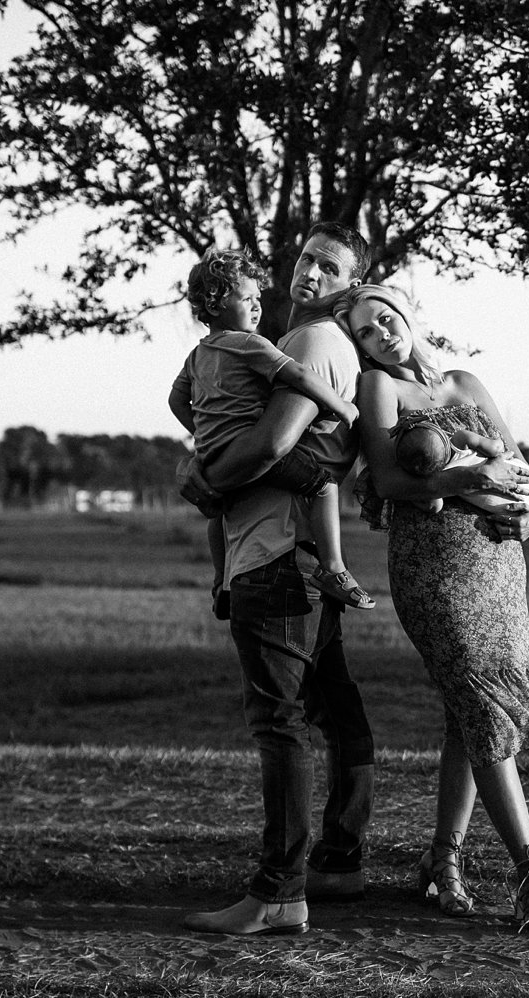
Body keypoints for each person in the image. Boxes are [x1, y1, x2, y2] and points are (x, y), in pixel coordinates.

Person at [344, 283, 529, 938]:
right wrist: (468, 481)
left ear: (407, 316)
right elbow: (390, 483)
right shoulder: (378, 389)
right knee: (482, 705)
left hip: (498, 562)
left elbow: (519, 466)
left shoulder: (465, 380)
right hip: (431, 567)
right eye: (366, 330)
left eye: (386, 319)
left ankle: (441, 862)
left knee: (464, 712)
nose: (381, 334)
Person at [178, 223, 382, 937]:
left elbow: (272, 443)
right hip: (294, 559)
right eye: (306, 260)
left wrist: (202, 480)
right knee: (335, 713)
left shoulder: (309, 344)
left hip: (274, 558)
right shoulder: (304, 344)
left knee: (280, 726)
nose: (311, 274)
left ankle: (279, 889)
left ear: (351, 284)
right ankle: (340, 859)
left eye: (330, 267)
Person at [168, 249, 376, 617]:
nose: (257, 305)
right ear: (216, 305)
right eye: (247, 298)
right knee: (323, 485)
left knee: (219, 514)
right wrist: (343, 406)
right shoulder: (250, 344)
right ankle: (335, 569)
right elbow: (298, 376)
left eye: (258, 298)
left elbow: (176, 399)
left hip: (212, 450)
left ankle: (221, 582)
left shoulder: (197, 355)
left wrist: (204, 432)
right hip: (250, 445)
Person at [391, 417, 529, 554]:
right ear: (439, 433)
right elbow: (496, 446)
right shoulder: (458, 440)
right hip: (521, 475)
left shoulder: (439, 479)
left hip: (506, 503)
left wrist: (414, 496)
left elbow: (433, 507)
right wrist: (493, 448)